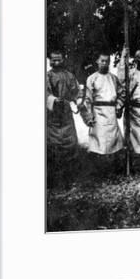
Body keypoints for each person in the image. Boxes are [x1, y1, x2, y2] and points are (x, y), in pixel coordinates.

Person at [46, 50, 80, 189]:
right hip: (52, 116)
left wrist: (75, 101)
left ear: (63, 59)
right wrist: (53, 100)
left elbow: (76, 92)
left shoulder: (69, 76)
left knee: (70, 145)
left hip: (66, 114)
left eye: (59, 60)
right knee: (53, 147)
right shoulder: (46, 76)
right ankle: (52, 181)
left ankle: (69, 180)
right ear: (49, 61)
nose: (56, 63)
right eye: (53, 60)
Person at [82, 53, 124, 157]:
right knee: (99, 139)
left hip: (111, 112)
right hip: (98, 112)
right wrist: (89, 115)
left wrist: (119, 105)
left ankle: (113, 163)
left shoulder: (113, 78)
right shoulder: (92, 78)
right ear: (97, 61)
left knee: (113, 139)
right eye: (102, 61)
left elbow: (122, 94)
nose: (105, 64)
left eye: (107, 62)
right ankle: (99, 164)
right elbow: (88, 99)